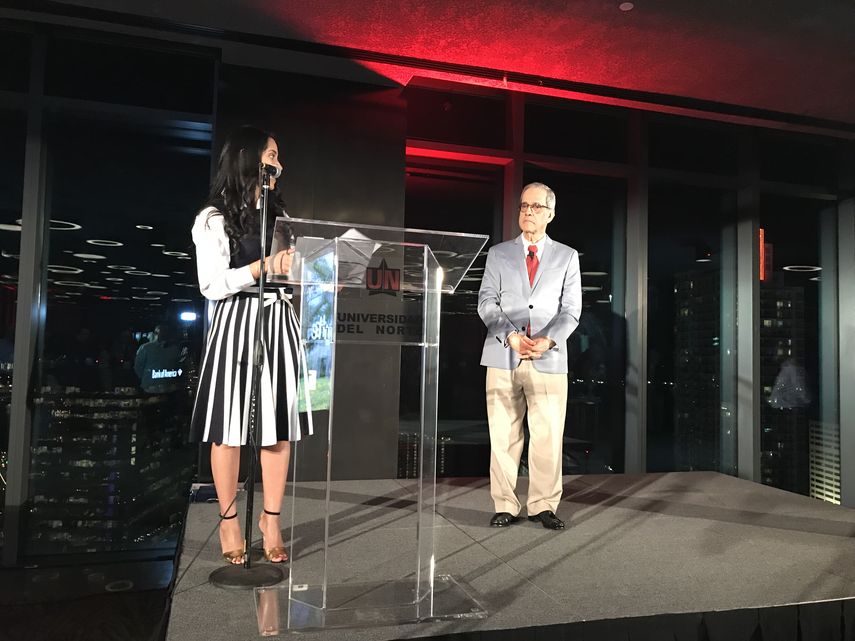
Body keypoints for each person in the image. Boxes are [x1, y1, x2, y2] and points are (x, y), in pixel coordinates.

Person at [189, 125, 312, 564]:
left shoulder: (279, 216)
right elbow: (211, 284)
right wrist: (262, 267)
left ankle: (271, 518)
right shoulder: (213, 217)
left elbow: (290, 273)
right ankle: (228, 520)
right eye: (270, 155)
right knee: (229, 426)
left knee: (277, 426)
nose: (277, 163)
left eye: (278, 156)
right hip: (237, 321)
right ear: (247, 159)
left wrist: (304, 270)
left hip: (279, 321)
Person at [477, 182, 582, 531]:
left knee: (548, 435)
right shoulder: (498, 253)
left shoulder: (567, 256)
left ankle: (543, 506)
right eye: (524, 206)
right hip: (503, 354)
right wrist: (510, 335)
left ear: (550, 214)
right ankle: (505, 505)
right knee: (503, 435)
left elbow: (571, 310)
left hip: (548, 358)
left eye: (536, 207)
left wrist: (549, 341)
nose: (528, 212)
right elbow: (486, 302)